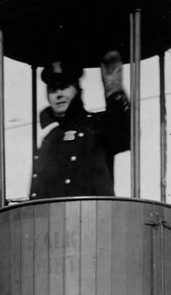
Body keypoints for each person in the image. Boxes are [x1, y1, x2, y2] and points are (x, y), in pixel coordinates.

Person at [28, 51, 130, 199]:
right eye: (53, 89)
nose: (59, 94)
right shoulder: (49, 139)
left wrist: (114, 91)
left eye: (64, 86)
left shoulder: (98, 124)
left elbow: (125, 137)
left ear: (78, 90)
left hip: (93, 218)